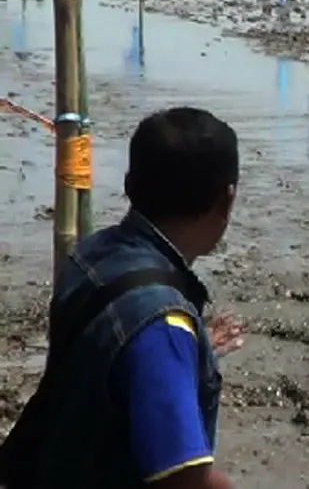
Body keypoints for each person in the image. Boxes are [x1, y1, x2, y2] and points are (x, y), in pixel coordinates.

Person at [0, 107, 243, 488]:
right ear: (227, 201)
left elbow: (103, 359)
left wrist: (190, 353)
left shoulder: (92, 254)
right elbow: (184, 480)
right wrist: (170, 351)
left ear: (129, 184)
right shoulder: (163, 329)